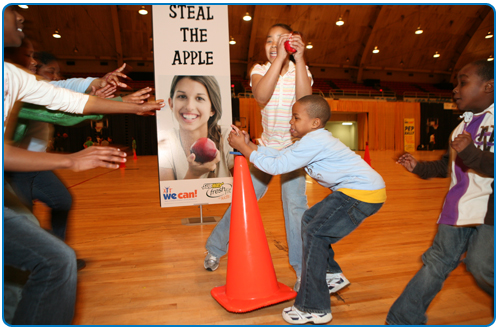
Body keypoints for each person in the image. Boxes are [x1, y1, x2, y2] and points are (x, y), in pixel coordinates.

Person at [2, 6, 164, 324]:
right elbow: (58, 111)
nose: (21, 16)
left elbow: (69, 98)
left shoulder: (13, 77)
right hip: (19, 169)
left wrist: (124, 105)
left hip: (22, 170)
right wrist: (70, 159)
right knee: (48, 260)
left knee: (48, 253)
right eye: (10, 9)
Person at [204, 23, 348, 293]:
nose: (273, 45)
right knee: (244, 202)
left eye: (279, 40)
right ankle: (214, 248)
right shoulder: (259, 70)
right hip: (266, 150)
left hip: (294, 154)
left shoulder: (300, 71)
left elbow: (306, 100)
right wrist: (280, 57)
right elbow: (261, 96)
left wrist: (300, 58)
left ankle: (302, 270)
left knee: (296, 210)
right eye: (268, 40)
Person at [227, 95, 386, 324]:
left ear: (314, 123)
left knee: (315, 233)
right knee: (310, 219)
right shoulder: (310, 141)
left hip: (360, 193)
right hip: (360, 192)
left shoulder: (315, 141)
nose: (291, 122)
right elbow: (281, 157)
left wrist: (243, 147)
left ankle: (314, 308)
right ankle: (331, 274)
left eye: (296, 117)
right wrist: (249, 146)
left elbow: (276, 167)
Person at [386, 59, 494, 325]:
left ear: (488, 86)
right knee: (436, 262)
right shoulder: (461, 126)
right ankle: (401, 321)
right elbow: (448, 164)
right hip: (457, 209)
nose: (455, 89)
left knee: (481, 266)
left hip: (489, 212)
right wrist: (418, 168)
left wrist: (470, 151)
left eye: (463, 81)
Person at [158, 75, 234, 180]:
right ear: (171, 104)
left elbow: (247, 190)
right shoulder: (165, 141)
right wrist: (193, 174)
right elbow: (169, 195)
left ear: (212, 109)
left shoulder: (228, 137)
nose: (189, 106)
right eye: (182, 96)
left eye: (199, 98)